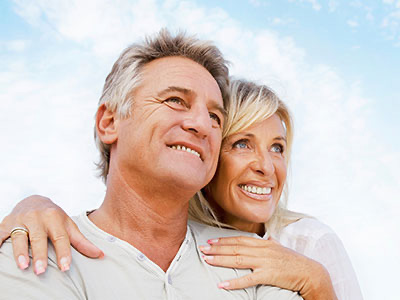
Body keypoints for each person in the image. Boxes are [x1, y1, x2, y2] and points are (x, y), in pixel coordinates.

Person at [0, 30, 302, 299]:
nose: (201, 124)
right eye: (174, 100)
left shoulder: (256, 258)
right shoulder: (37, 251)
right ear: (109, 122)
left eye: (214, 117)